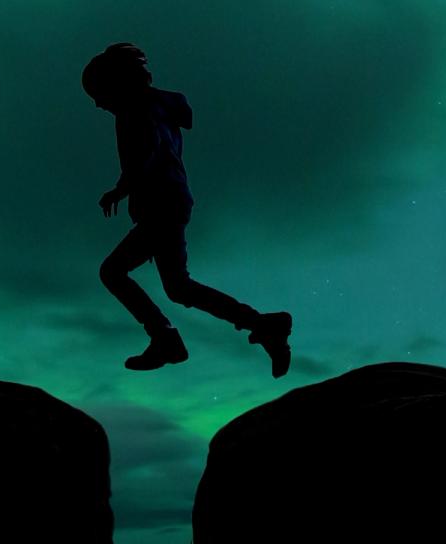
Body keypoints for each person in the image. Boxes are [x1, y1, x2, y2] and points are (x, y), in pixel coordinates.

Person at [81, 42, 292, 378]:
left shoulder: (134, 110)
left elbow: (148, 151)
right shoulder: (158, 107)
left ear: (117, 83)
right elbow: (155, 150)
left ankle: (165, 338)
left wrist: (122, 188)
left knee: (113, 272)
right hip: (174, 200)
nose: (96, 103)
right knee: (178, 287)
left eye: (99, 92)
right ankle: (263, 324)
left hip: (161, 204)